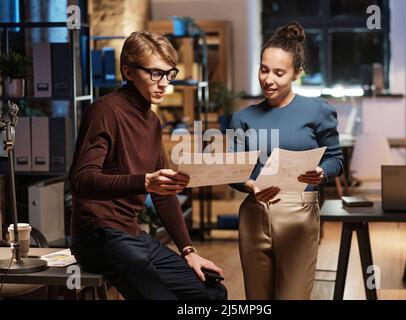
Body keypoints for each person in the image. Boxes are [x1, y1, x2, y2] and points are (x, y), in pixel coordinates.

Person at [69, 31, 227, 300]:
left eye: (169, 74)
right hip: (98, 236)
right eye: (155, 74)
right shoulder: (104, 111)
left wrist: (189, 251)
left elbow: (163, 194)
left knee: (212, 293)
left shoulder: (152, 122)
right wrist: (144, 181)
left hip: (132, 235)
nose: (164, 83)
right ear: (129, 71)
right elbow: (81, 181)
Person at [228, 22, 344, 300]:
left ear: (296, 73)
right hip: (254, 214)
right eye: (264, 69)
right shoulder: (242, 118)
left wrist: (320, 172)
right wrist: (250, 185)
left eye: (279, 73)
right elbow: (233, 171)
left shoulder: (318, 111)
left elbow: (336, 159)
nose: (268, 79)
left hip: (299, 216)